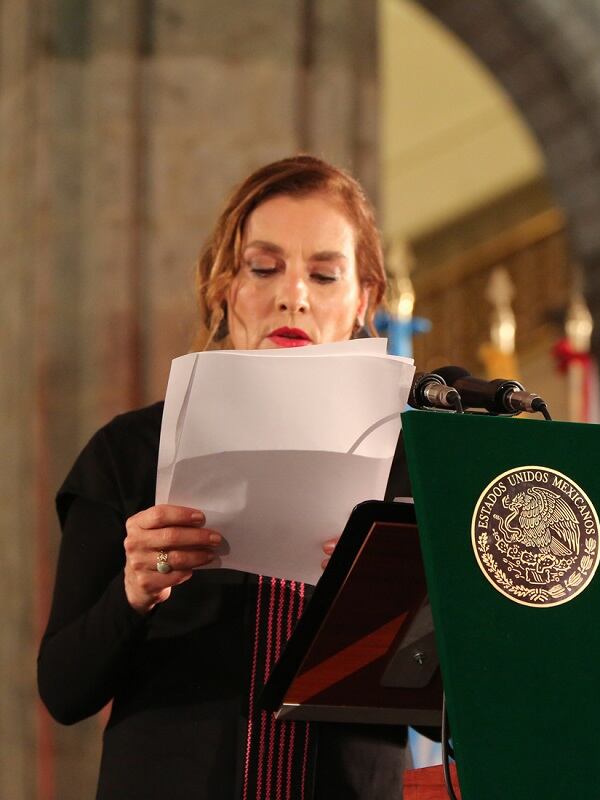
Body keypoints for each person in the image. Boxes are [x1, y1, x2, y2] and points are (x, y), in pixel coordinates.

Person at [37, 155, 413, 800]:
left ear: (364, 300)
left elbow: (473, 702)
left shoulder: (414, 465)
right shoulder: (128, 450)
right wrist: (132, 592)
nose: (292, 293)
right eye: (263, 267)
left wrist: (405, 607)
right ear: (223, 289)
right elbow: (64, 690)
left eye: (324, 274)